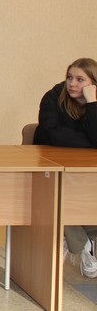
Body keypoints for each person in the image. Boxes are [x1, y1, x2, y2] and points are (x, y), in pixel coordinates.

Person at [34, 57, 97, 278]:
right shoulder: (53, 97)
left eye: (80, 79)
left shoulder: (94, 100)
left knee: (87, 194)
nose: (72, 84)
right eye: (70, 77)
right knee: (59, 194)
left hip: (86, 169)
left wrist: (92, 103)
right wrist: (90, 141)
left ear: (93, 83)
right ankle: (83, 244)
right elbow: (53, 134)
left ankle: (76, 241)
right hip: (49, 164)